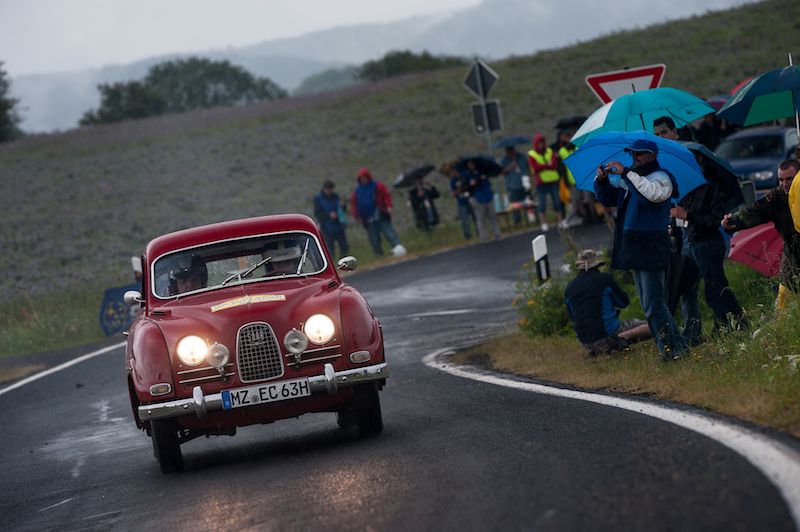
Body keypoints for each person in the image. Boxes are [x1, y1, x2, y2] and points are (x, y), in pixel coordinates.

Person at [594, 138, 689, 361]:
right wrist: (602, 180)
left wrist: (626, 172)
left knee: (654, 304)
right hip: (635, 246)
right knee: (649, 305)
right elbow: (607, 198)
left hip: (651, 245)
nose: (634, 158)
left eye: (639, 154)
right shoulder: (633, 179)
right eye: (632, 154)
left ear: (652, 156)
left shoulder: (661, 178)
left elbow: (651, 196)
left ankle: (672, 350)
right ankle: (676, 348)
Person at [671, 151, 746, 332]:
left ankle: (729, 325)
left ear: (700, 159)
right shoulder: (691, 186)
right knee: (708, 286)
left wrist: (687, 215)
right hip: (694, 240)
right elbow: (687, 217)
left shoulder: (714, 185)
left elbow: (713, 220)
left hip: (708, 242)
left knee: (715, 287)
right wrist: (677, 222)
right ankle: (732, 324)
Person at [723, 159, 800, 309]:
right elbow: (755, 210)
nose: (784, 184)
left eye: (789, 179)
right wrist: (732, 222)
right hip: (792, 258)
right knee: (783, 306)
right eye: (781, 179)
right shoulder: (777, 197)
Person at [653, 116, 703, 342]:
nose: (661, 137)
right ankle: (690, 331)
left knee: (694, 283)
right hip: (678, 232)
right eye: (656, 135)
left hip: (697, 229)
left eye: (664, 132)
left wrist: (685, 213)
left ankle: (696, 331)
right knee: (682, 284)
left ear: (675, 132)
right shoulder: (661, 161)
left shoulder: (688, 154)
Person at [565, 249, 650, 356]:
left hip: (586, 343)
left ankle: (600, 349)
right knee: (651, 326)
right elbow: (623, 302)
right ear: (597, 265)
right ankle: (621, 338)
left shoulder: (569, 288)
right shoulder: (604, 279)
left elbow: (573, 317)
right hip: (607, 336)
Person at [350, 167, 407, 257]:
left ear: (368, 177)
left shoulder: (377, 186)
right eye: (361, 178)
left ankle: (399, 249)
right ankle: (378, 255)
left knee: (389, 233)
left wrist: (389, 206)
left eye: (365, 177)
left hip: (380, 215)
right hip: (368, 219)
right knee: (374, 239)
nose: (363, 180)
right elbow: (354, 204)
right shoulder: (357, 191)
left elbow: (386, 195)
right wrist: (356, 216)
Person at [528, 133, 563, 230]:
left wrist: (542, 166)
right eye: (539, 143)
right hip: (541, 182)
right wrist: (547, 165)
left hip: (553, 180)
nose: (541, 145)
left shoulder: (549, 151)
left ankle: (560, 221)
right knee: (542, 203)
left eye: (542, 142)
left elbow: (554, 165)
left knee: (556, 201)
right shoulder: (532, 154)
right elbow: (535, 168)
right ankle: (543, 223)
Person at [462, 159, 501, 241]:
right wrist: (471, 184)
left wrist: (482, 178)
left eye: (472, 164)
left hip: (488, 196)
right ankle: (484, 236)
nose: (471, 166)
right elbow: (465, 188)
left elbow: (488, 181)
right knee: (480, 218)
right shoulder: (466, 175)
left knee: (492, 216)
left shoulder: (482, 171)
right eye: (469, 164)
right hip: (477, 198)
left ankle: (496, 234)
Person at [313, 180, 349, 259]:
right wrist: (329, 215)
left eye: (331, 189)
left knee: (344, 247)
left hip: (338, 226)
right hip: (326, 228)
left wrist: (343, 206)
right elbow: (317, 214)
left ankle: (344, 261)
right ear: (324, 188)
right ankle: (332, 263)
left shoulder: (336, 197)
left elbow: (343, 210)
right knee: (330, 249)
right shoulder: (318, 198)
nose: (329, 191)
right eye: (328, 189)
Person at [443, 160, 476, 240]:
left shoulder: (465, 174)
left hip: (471, 199)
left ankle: (480, 234)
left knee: (475, 217)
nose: (453, 172)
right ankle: (468, 237)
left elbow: (472, 183)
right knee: (464, 221)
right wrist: (459, 189)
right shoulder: (453, 180)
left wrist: (465, 186)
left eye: (453, 170)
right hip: (461, 202)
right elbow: (453, 194)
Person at [499, 145, 530, 226]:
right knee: (515, 206)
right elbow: (501, 171)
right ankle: (518, 222)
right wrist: (511, 166)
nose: (509, 152)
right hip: (512, 186)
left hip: (524, 184)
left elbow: (527, 167)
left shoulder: (522, 157)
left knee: (529, 204)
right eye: (507, 151)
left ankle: (530, 220)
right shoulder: (504, 160)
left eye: (510, 150)